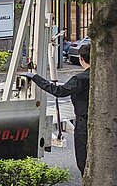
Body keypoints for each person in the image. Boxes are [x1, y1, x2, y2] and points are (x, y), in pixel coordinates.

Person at [27, 41, 91, 175]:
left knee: (83, 161)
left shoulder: (80, 79)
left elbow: (59, 91)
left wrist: (35, 77)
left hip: (84, 123)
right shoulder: (107, 75)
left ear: (81, 59)